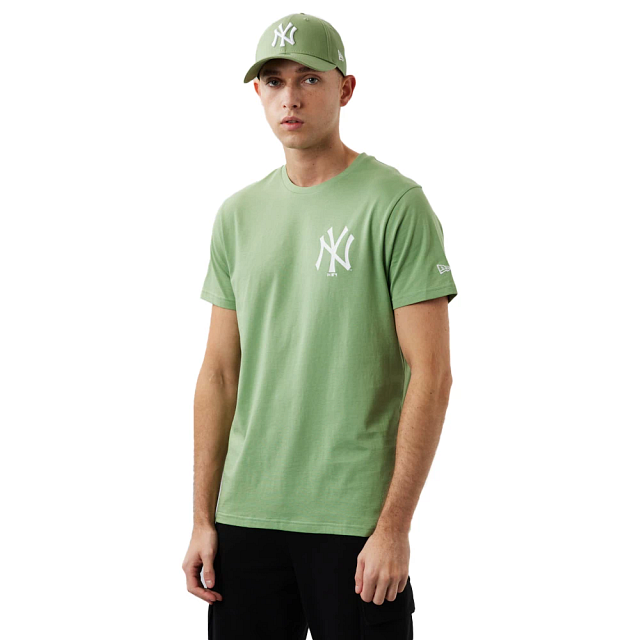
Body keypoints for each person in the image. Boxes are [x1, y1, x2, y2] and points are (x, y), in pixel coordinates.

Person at [182, 12, 458, 640]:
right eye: (274, 81)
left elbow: (433, 374)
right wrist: (203, 518)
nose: (291, 97)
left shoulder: (395, 204)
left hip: (354, 523)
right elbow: (218, 375)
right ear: (259, 93)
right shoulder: (237, 215)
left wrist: (394, 527)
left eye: (309, 78)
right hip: (247, 516)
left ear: (346, 88)